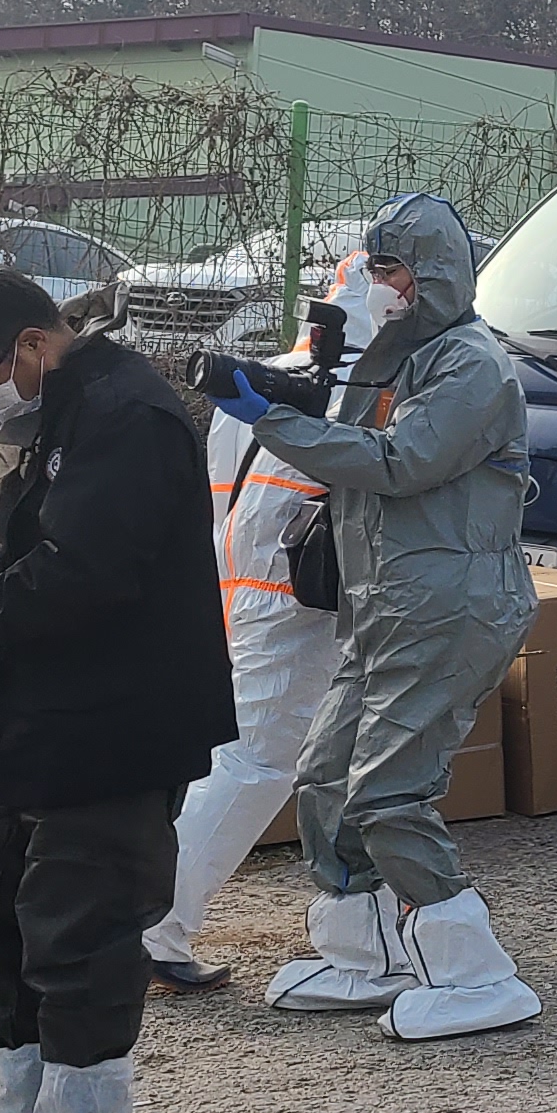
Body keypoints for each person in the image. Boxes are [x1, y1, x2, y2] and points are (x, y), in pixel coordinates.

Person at [0, 267, 235, 1113]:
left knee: (79, 919)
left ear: (34, 345)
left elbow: (86, 570)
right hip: (25, 701)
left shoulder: (128, 414)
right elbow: (24, 551)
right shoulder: (41, 415)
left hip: (116, 712)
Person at [251, 195, 547, 1040]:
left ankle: (476, 974)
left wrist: (268, 419)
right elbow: (356, 449)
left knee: (388, 792)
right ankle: (362, 953)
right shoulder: (396, 361)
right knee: (327, 779)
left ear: (434, 275)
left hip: (451, 602)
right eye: (372, 269)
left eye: (391, 270)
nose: (376, 286)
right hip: (386, 601)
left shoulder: (471, 366)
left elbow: (398, 462)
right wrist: (289, 396)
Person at [145, 297, 354, 993]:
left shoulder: (262, 376)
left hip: (241, 584)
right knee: (255, 765)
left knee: (274, 758)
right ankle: (152, 926)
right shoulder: (355, 388)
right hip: (302, 599)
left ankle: (381, 916)